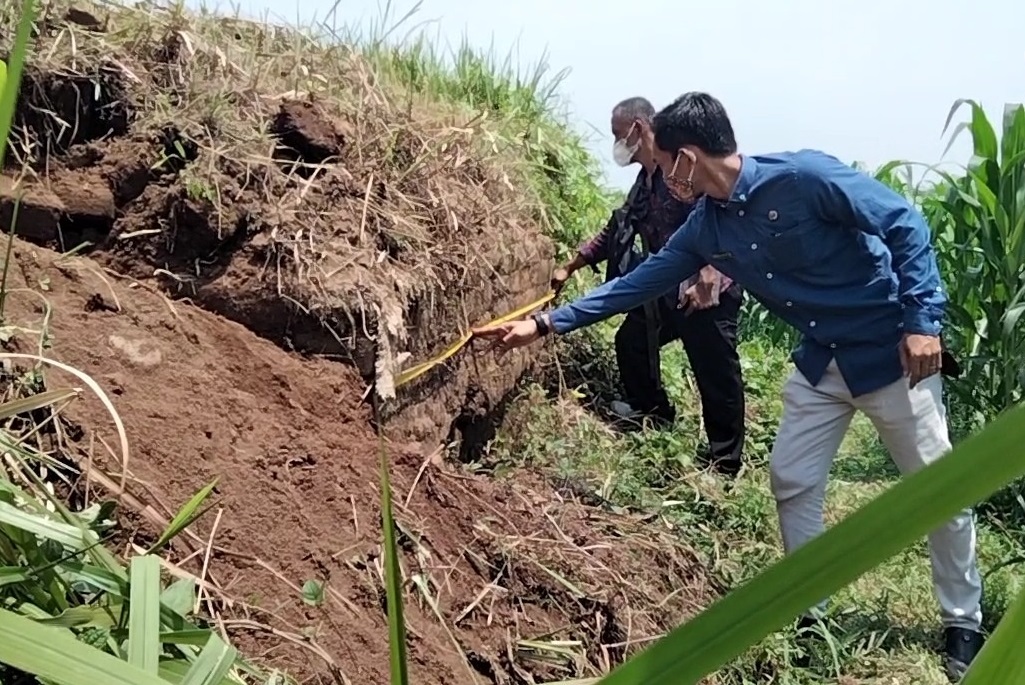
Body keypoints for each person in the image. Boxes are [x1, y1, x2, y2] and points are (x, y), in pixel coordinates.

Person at [473, 92, 985, 679]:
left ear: (689, 159)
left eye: (666, 166)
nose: (663, 179)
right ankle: (809, 605)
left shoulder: (804, 177)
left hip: (891, 357)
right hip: (821, 363)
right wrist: (542, 323)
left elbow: (904, 221)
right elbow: (636, 285)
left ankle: (962, 620)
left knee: (938, 488)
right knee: (792, 478)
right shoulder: (706, 228)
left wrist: (923, 322)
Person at [551, 96, 746, 476]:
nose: (617, 143)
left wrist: (710, 271)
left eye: (618, 134)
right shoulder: (646, 184)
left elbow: (727, 216)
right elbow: (617, 229)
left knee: (714, 369)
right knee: (633, 340)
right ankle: (653, 411)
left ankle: (725, 462)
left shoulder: (688, 172)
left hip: (711, 290)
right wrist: (572, 264)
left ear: (639, 128)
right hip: (668, 286)